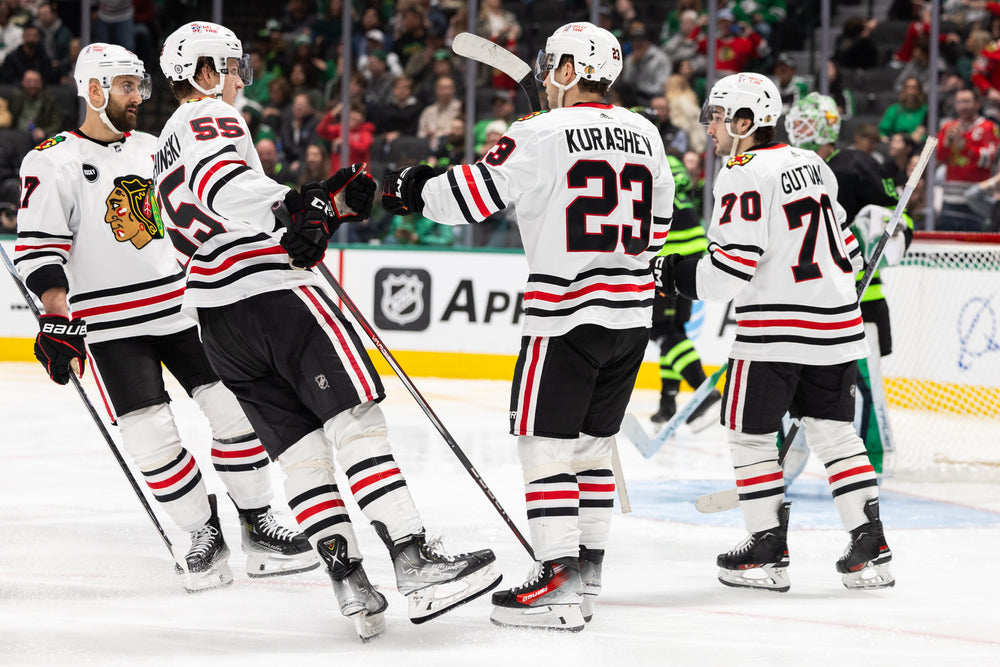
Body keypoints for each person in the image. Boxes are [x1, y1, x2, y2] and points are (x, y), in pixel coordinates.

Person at [153, 21, 499, 640]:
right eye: (231, 67)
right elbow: (228, 190)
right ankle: (412, 559)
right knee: (356, 422)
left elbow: (223, 216)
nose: (237, 80)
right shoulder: (210, 115)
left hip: (220, 324)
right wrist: (302, 205)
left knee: (300, 454)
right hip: (276, 300)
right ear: (203, 71)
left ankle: (351, 583)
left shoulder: (161, 147)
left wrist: (322, 206)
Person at [381, 21, 674, 631]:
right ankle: (586, 572)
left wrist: (415, 187)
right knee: (592, 451)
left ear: (569, 71)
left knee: (544, 447)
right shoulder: (646, 132)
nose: (543, 74)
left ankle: (558, 578)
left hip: (565, 316)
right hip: (630, 317)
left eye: (552, 65)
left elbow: (468, 197)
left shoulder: (539, 131)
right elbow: (662, 221)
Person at [12, 43, 318, 593]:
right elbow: (39, 248)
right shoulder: (51, 159)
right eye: (127, 86)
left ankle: (258, 525)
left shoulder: (155, 148)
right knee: (151, 439)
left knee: (235, 414)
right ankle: (204, 532)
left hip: (183, 306)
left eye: (141, 86)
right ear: (96, 89)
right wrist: (55, 316)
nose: (139, 97)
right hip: (109, 328)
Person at [656, 73, 894, 592]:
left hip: (775, 329)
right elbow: (848, 251)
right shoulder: (813, 164)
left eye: (718, 117)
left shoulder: (741, 172)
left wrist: (669, 272)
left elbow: (727, 273)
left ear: (747, 122)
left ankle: (766, 547)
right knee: (835, 431)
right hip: (835, 324)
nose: (710, 127)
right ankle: (870, 546)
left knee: (749, 433)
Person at [782, 92, 913, 481]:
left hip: (861, 303)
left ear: (826, 127)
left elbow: (902, 228)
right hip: (805, 301)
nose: (796, 129)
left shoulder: (856, 164)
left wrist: (881, 229)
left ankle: (871, 463)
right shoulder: (792, 167)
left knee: (862, 387)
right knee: (789, 381)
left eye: (805, 122)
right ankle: (782, 460)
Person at [649, 153, 714, 427]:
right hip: (691, 259)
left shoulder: (649, 160)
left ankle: (705, 392)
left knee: (662, 331)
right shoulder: (669, 160)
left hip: (670, 261)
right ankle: (668, 402)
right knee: (674, 333)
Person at [935, 87, 1000, 231]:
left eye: (967, 101)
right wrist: (946, 143)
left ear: (977, 104)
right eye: (959, 102)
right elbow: (937, 158)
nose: (962, 106)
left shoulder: (989, 127)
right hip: (949, 199)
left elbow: (987, 159)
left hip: (976, 201)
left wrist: (964, 147)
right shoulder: (948, 127)